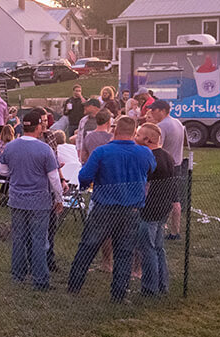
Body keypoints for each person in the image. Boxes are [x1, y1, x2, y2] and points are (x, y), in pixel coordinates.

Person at [67, 116, 156, 302]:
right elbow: (151, 169)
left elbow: (84, 176)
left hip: (104, 207)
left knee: (88, 247)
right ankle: (119, 294)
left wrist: (92, 182)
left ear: (114, 131)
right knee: (124, 252)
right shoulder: (144, 153)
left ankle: (74, 286)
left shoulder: (102, 152)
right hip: (131, 209)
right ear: (134, 133)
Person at [0, 108, 64, 291]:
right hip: (39, 201)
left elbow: (2, 171)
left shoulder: (10, 146)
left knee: (19, 238)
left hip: (17, 199)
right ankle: (40, 280)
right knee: (39, 240)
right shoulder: (44, 149)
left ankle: (18, 275)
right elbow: (54, 178)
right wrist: (59, 199)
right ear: (38, 127)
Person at [135, 122, 176, 296]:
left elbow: (145, 185)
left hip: (150, 209)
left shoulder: (151, 158)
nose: (135, 138)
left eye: (138, 135)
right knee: (158, 248)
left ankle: (149, 288)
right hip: (163, 208)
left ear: (148, 139)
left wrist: (137, 204)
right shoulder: (168, 156)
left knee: (148, 249)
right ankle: (162, 285)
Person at [144, 100, 185, 238]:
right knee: (175, 199)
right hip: (177, 164)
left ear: (162, 110)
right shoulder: (177, 122)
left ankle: (159, 228)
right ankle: (175, 231)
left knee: (161, 199)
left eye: (154, 110)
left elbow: (157, 147)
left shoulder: (162, 126)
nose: (151, 112)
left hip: (164, 167)